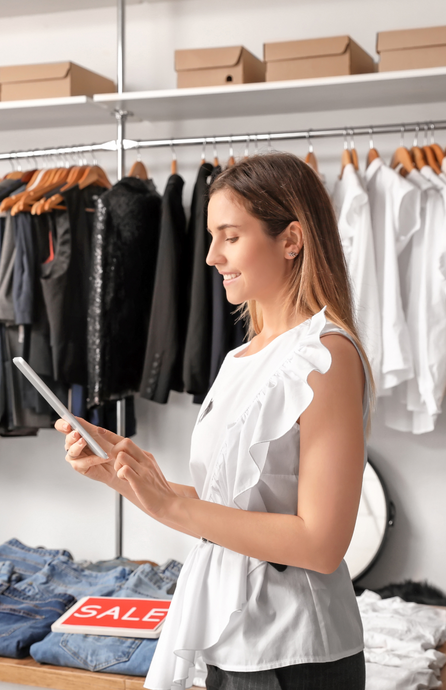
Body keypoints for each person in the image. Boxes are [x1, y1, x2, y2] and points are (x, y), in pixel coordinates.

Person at [56, 152, 374, 690]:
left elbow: (321, 543)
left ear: (291, 239)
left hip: (294, 654)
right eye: (211, 237)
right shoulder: (240, 359)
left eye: (230, 236)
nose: (210, 257)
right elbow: (229, 508)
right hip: (229, 642)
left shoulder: (326, 355)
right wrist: (125, 475)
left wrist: (171, 504)